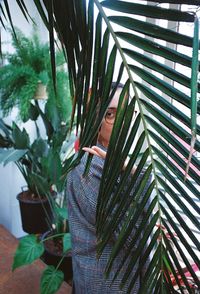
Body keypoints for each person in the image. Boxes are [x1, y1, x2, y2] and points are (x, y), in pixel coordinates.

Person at [66, 84, 151, 293]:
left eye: (127, 111)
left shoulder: (113, 161)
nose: (123, 121)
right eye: (111, 114)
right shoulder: (89, 172)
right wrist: (134, 172)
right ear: (94, 121)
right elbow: (136, 236)